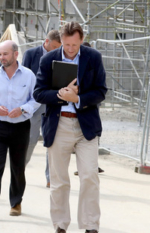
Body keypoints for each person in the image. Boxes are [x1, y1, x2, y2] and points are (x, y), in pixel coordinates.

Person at [33, 21, 107, 233]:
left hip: (86, 127)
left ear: (81, 40)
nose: (70, 49)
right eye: (66, 45)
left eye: (74, 45)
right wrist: (59, 95)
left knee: (89, 176)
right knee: (59, 180)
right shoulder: (48, 59)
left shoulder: (93, 57)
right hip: (59, 125)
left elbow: (101, 91)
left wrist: (77, 98)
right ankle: (60, 225)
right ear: (62, 41)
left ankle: (90, 226)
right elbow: (38, 93)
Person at [0, 40, 40, 218]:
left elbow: (36, 99)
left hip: (20, 127)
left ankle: (16, 203)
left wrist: (23, 109)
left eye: (5, 54)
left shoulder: (29, 76)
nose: (1, 57)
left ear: (15, 54)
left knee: (17, 167)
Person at [22, 29, 61, 188]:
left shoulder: (60, 56)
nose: (56, 50)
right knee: (30, 139)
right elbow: (23, 77)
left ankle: (50, 177)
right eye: (54, 47)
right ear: (46, 42)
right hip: (34, 103)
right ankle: (20, 169)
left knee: (51, 141)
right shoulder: (31, 54)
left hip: (51, 103)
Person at [73, 41, 104, 176]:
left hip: (90, 109)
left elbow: (100, 89)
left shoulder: (94, 61)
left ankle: (92, 165)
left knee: (91, 138)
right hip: (69, 112)